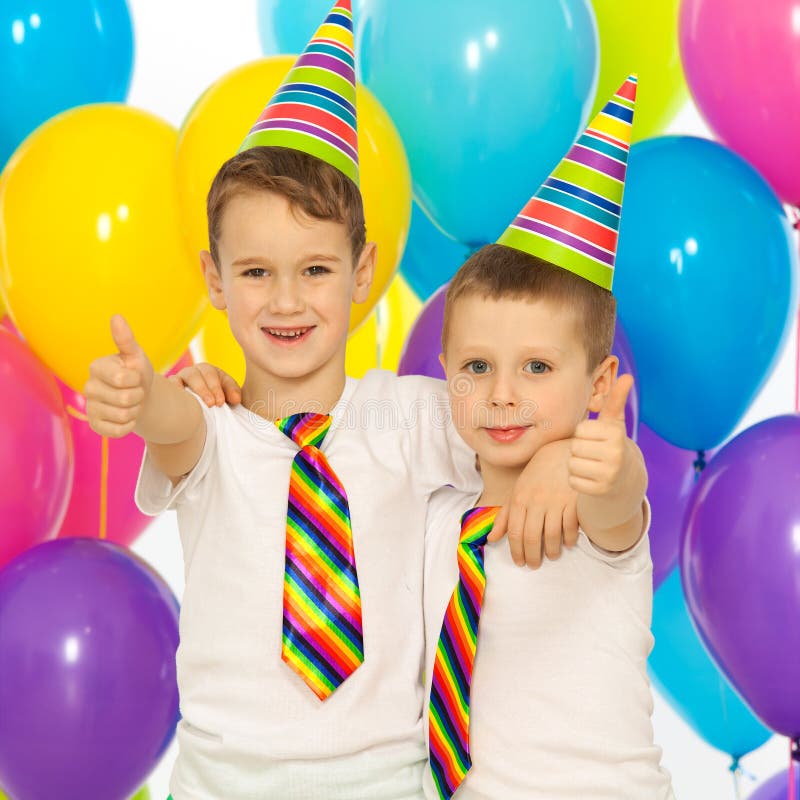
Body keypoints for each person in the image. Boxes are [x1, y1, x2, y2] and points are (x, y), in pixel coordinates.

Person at [83, 3, 590, 797]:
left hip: (384, 783)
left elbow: (521, 415)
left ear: (362, 276)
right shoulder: (214, 430)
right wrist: (144, 396)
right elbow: (174, 430)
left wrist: (562, 459)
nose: (286, 300)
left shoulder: (416, 413)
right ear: (214, 282)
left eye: (314, 270)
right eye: (255, 272)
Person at [421, 76, 674, 800]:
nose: (502, 393)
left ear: (597, 388)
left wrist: (586, 460)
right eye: (477, 367)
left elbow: (620, 498)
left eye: (536, 367)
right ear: (445, 376)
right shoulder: (437, 519)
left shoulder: (591, 521)